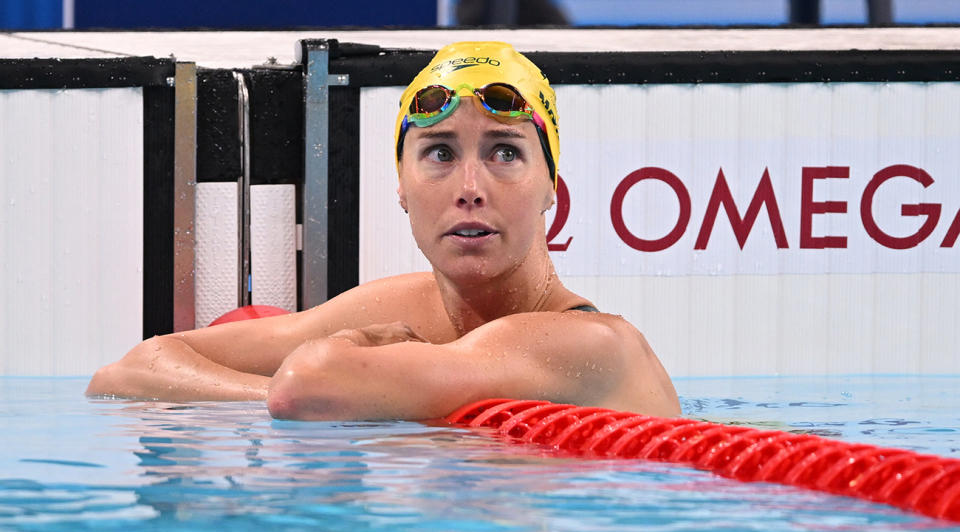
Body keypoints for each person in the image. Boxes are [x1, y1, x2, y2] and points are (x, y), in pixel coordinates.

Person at [87, 41, 680, 421]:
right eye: (439, 152)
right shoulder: (401, 306)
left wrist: (341, 371)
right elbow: (131, 369)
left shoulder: (595, 346)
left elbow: (306, 385)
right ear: (400, 186)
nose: (470, 185)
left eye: (504, 152)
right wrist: (266, 395)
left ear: (552, 186)